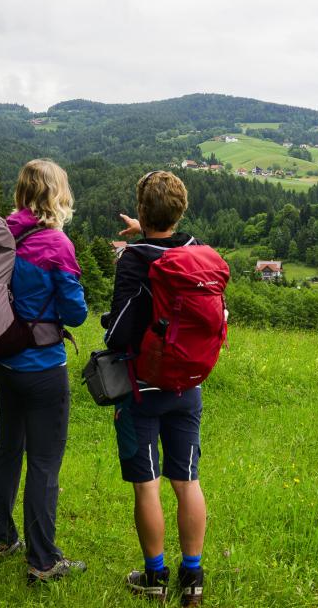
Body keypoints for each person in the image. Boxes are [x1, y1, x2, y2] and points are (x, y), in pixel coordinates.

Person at [0, 159, 88, 584]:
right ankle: (44, 561)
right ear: (55, 193)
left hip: (3, 359)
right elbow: (75, 314)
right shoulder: (55, 244)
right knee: (44, 462)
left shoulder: (1, 232)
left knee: (7, 447)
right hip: (42, 365)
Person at [104, 171, 206, 605]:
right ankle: (194, 578)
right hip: (188, 385)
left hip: (142, 388)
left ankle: (154, 578)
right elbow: (166, 242)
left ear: (142, 212)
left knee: (147, 485)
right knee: (187, 480)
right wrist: (143, 233)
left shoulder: (133, 260)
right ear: (180, 212)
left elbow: (120, 332)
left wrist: (131, 251)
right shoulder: (195, 251)